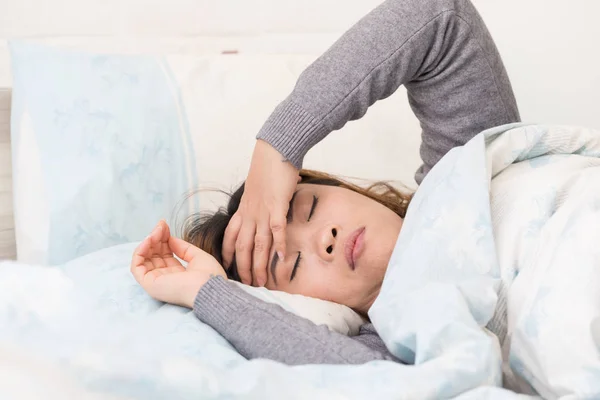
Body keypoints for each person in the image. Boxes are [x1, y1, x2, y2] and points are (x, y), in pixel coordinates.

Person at [131, 0, 520, 365]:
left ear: (337, 186)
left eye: (311, 207)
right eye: (293, 265)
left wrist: (277, 148)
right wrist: (208, 293)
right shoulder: (403, 350)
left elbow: (439, 15)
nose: (326, 239)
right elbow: (345, 370)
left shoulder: (465, 175)